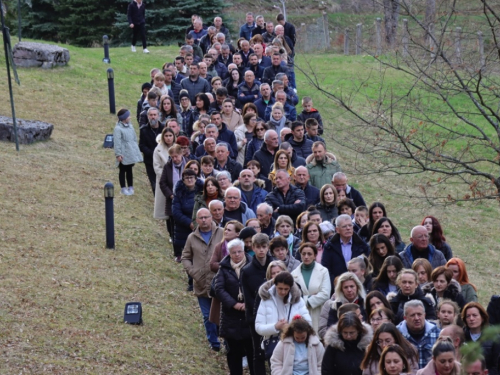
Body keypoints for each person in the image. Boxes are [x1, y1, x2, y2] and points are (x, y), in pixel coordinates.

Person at [182, 208, 224, 351]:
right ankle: (213, 341)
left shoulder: (222, 233)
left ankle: (223, 337)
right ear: (197, 220)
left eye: (206, 217)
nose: (204, 220)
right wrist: (193, 271)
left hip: (220, 281)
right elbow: (185, 257)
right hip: (201, 281)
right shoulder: (192, 238)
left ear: (211, 218)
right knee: (207, 315)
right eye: (201, 218)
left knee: (220, 312)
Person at [213, 239, 255, 375]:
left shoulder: (252, 265)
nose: (237, 255)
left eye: (239, 252)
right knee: (234, 353)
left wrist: (248, 304)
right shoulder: (223, 268)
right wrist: (234, 304)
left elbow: (256, 287)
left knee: (253, 352)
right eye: (234, 252)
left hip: (249, 315)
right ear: (229, 253)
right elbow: (219, 289)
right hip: (231, 316)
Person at [255, 272, 312, 358]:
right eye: (280, 288)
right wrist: (275, 327)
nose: (283, 292)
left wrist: (293, 327)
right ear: (275, 285)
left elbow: (308, 324)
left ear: (291, 287)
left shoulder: (298, 300)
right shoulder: (266, 300)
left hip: (296, 345)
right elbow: (258, 327)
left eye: (286, 289)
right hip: (273, 346)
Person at [241, 233, 273, 374]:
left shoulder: (274, 266)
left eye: (264, 247)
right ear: (253, 247)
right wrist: (256, 315)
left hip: (274, 314)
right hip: (256, 317)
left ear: (268, 247)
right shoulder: (247, 270)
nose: (261, 250)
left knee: (275, 351)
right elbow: (247, 298)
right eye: (258, 247)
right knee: (258, 353)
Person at [321, 214, 370, 291]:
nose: (348, 228)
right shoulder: (329, 247)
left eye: (350, 225)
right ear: (337, 230)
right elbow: (326, 270)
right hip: (337, 288)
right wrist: (338, 284)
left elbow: (368, 268)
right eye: (344, 226)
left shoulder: (362, 246)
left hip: (360, 287)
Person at [291, 243, 331, 332]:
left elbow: (325, 294)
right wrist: (311, 297)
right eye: (303, 254)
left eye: (309, 254)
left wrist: (305, 299)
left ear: (315, 255)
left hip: (319, 313)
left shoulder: (323, 271)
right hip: (300, 315)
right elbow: (293, 296)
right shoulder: (293, 274)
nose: (306, 256)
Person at [320, 271, 367, 338]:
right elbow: (327, 329)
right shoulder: (334, 306)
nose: (349, 290)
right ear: (341, 290)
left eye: (352, 286)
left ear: (357, 287)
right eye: (346, 287)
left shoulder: (365, 303)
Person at [397, 300, 441, 369]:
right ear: (405, 318)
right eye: (412, 315)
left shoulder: (437, 333)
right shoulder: (397, 334)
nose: (417, 318)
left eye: (419, 314)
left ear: (425, 315)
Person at [172, 168, 203, 265]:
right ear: (183, 180)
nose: (189, 180)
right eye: (187, 178)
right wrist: (189, 223)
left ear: (196, 178)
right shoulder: (179, 193)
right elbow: (176, 212)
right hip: (184, 227)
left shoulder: (202, 192)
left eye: (191, 177)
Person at [462, 302, 500, 375]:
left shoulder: (494, 338)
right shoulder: (461, 336)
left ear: (482, 317)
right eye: (468, 316)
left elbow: (495, 366)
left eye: (474, 315)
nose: (471, 319)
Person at [113, 108, 143, 196]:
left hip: (131, 151)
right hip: (123, 152)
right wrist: (118, 154)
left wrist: (135, 151)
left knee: (129, 169)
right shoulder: (118, 129)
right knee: (122, 170)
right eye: (128, 116)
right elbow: (117, 142)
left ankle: (130, 186)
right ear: (124, 118)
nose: (130, 117)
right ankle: (123, 187)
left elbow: (134, 138)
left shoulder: (130, 126)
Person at [139, 107, 164, 194]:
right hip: (150, 162)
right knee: (154, 184)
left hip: (163, 160)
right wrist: (152, 153)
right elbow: (141, 145)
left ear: (158, 116)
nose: (153, 117)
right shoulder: (143, 130)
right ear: (148, 116)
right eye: (151, 115)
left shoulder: (164, 129)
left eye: (154, 115)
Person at [153, 127, 175, 222]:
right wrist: (166, 176)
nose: (168, 138)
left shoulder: (178, 148)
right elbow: (157, 166)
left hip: (177, 180)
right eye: (166, 136)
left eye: (170, 135)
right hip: (164, 181)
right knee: (166, 211)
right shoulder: (158, 149)